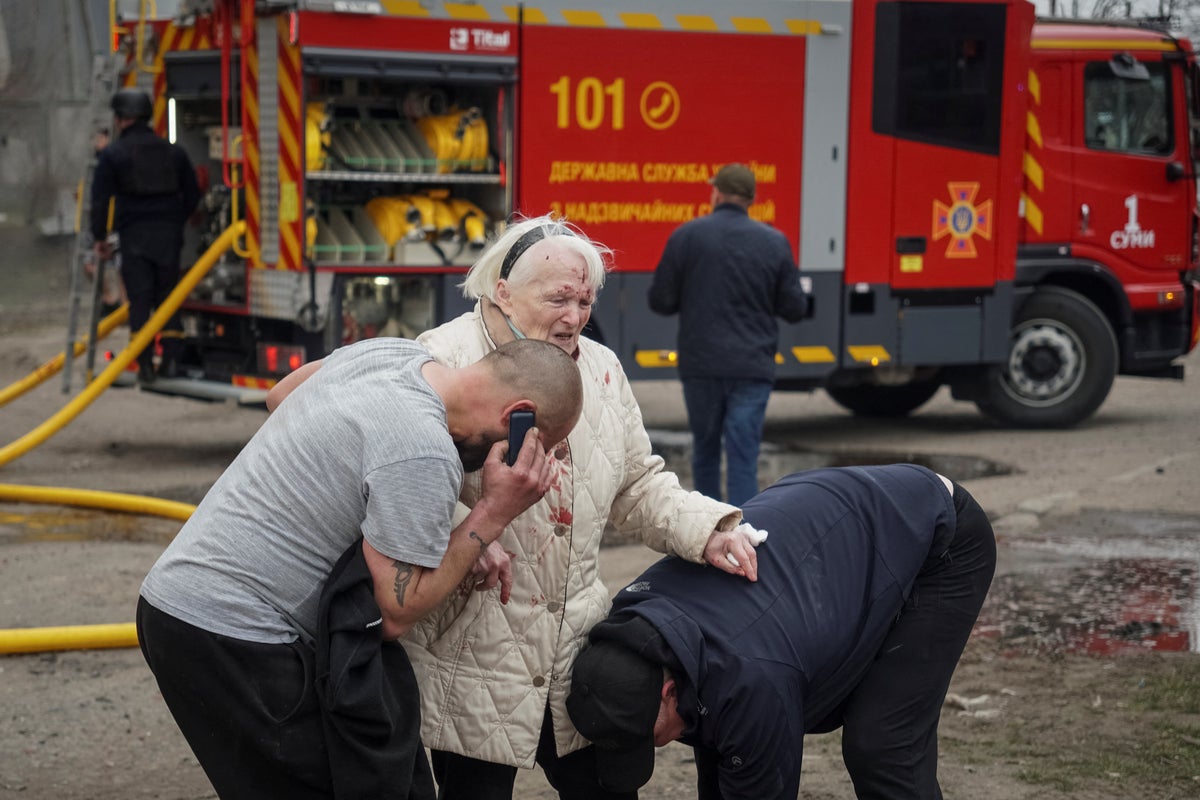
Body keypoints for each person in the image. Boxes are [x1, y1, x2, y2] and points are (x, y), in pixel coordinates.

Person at [403, 215, 768, 800]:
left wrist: (711, 530)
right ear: (503, 291)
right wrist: (468, 531)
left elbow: (637, 485)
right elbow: (403, 484)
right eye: (558, 298)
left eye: (585, 300)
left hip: (577, 646)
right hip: (474, 645)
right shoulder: (442, 357)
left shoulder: (600, 367)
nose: (575, 316)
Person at [136, 337, 584, 800]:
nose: (522, 463)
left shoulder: (391, 354)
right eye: (530, 446)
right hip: (236, 634)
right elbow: (394, 612)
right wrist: (492, 513)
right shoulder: (424, 449)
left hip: (176, 604)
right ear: (517, 418)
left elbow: (281, 396)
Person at [566, 463, 997, 799]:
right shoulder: (636, 628)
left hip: (937, 536)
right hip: (832, 523)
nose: (655, 749)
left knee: (882, 746)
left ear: (667, 693)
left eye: (648, 738)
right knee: (724, 724)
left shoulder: (751, 676)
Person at [648, 163, 810, 505]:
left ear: (717, 193)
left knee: (705, 452)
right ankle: (743, 536)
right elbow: (794, 308)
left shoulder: (687, 236)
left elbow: (660, 301)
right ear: (750, 199)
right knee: (743, 457)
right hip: (753, 367)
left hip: (701, 366)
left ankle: (708, 536)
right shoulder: (775, 242)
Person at [90, 88, 200, 382]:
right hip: (169, 235)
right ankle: (172, 363)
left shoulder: (113, 155)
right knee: (168, 298)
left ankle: (146, 366)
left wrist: (99, 238)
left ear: (120, 119)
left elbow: (99, 200)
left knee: (140, 300)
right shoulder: (174, 152)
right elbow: (192, 193)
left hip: (134, 237)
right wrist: (176, 220)